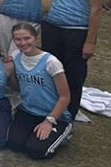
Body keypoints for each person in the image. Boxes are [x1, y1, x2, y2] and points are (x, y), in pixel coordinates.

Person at [41, 0, 105, 121]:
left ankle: (69, 114)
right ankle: (50, 110)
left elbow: (96, 9)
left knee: (74, 75)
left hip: (77, 29)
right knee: (51, 71)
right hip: (52, 26)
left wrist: (90, 41)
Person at [8, 23, 73, 159]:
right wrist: (10, 74)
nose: (23, 43)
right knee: (14, 144)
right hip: (28, 111)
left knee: (36, 151)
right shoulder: (15, 57)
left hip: (52, 115)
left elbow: (65, 96)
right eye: (18, 39)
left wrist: (49, 121)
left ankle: (64, 132)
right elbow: (18, 87)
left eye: (27, 38)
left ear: (35, 38)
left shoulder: (51, 62)